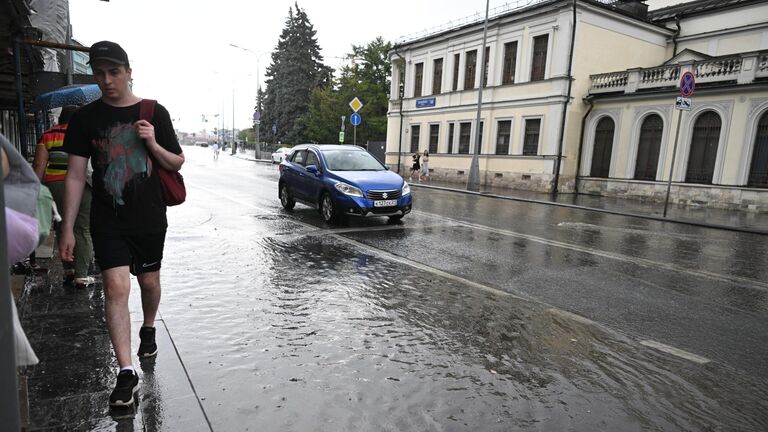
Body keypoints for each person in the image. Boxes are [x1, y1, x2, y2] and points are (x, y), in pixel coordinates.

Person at [60, 41, 185, 407]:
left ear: (129, 72)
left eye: (114, 72)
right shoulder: (85, 119)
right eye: (99, 73)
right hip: (106, 217)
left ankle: (148, 327)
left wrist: (151, 142)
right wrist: (67, 227)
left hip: (148, 217)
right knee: (115, 288)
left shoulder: (153, 112)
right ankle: (126, 372)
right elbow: (74, 175)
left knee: (148, 281)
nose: (107, 80)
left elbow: (176, 162)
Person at [32, 105, 95, 288]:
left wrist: (35, 188)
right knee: (82, 229)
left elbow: (38, 165)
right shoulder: (85, 135)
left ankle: (68, 270)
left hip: (54, 185)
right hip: (82, 185)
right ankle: (81, 275)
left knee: (61, 226)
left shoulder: (48, 135)